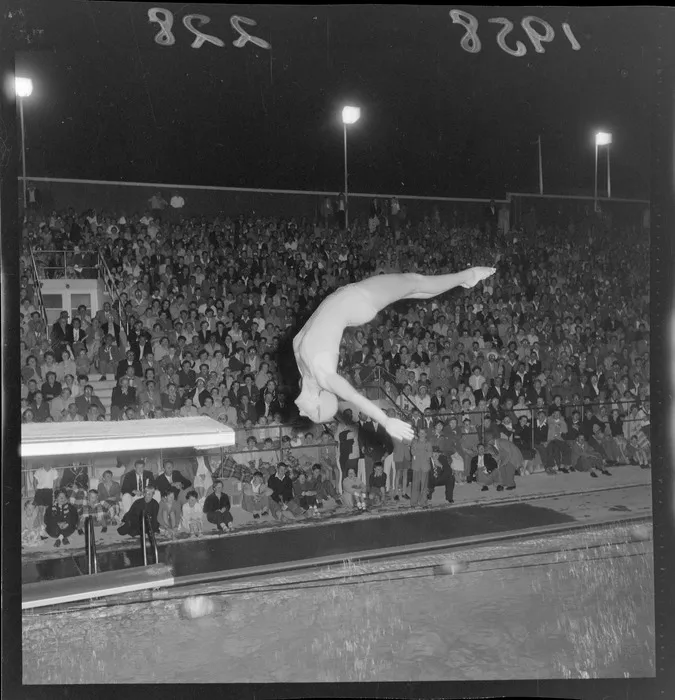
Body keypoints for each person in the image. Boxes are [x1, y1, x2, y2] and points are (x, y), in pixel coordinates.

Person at [293, 268, 496, 441]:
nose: (302, 412)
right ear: (318, 399)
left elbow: (302, 336)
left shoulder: (304, 368)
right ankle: (468, 275)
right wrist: (385, 420)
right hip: (358, 299)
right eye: (309, 412)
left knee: (414, 289)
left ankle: (464, 280)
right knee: (414, 281)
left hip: (349, 299)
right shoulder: (323, 374)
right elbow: (353, 396)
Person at [410, 428, 433, 507]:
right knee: (415, 484)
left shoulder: (428, 443)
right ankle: (413, 502)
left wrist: (419, 452)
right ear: (418, 434)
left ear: (426, 434)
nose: (422, 434)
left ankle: (423, 502)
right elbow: (413, 452)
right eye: (420, 433)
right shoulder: (414, 442)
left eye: (423, 433)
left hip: (425, 466)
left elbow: (430, 454)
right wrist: (424, 451)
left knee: (424, 485)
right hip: (416, 466)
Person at [32, 462, 59, 530]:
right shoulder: (39, 470)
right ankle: (41, 526)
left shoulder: (54, 471)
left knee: (48, 510)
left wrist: (53, 492)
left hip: (49, 491)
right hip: (40, 491)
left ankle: (47, 524)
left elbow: (55, 482)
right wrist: (36, 491)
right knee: (40, 510)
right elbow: (34, 481)